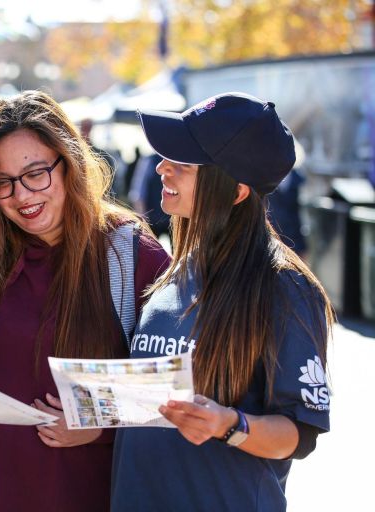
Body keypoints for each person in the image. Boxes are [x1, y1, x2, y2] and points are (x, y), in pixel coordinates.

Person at [111, 92, 334, 511]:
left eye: (183, 162)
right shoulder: (174, 271)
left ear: (235, 192)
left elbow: (300, 435)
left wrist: (229, 424)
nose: (162, 167)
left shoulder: (285, 288)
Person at [0, 91, 170, 512]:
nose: (22, 196)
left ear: (69, 162)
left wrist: (97, 424)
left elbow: (183, 383)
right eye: (3, 182)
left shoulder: (129, 252)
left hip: (87, 490)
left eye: (36, 173)